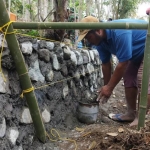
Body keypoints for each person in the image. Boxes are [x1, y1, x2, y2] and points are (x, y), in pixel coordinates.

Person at [77, 16, 150, 126]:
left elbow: (123, 63)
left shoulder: (120, 32)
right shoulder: (100, 42)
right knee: (129, 76)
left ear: (98, 30)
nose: (88, 40)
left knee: (142, 79)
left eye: (88, 36)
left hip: (148, 45)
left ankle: (140, 119)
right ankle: (131, 114)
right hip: (137, 52)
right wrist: (106, 86)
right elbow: (106, 64)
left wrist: (110, 87)